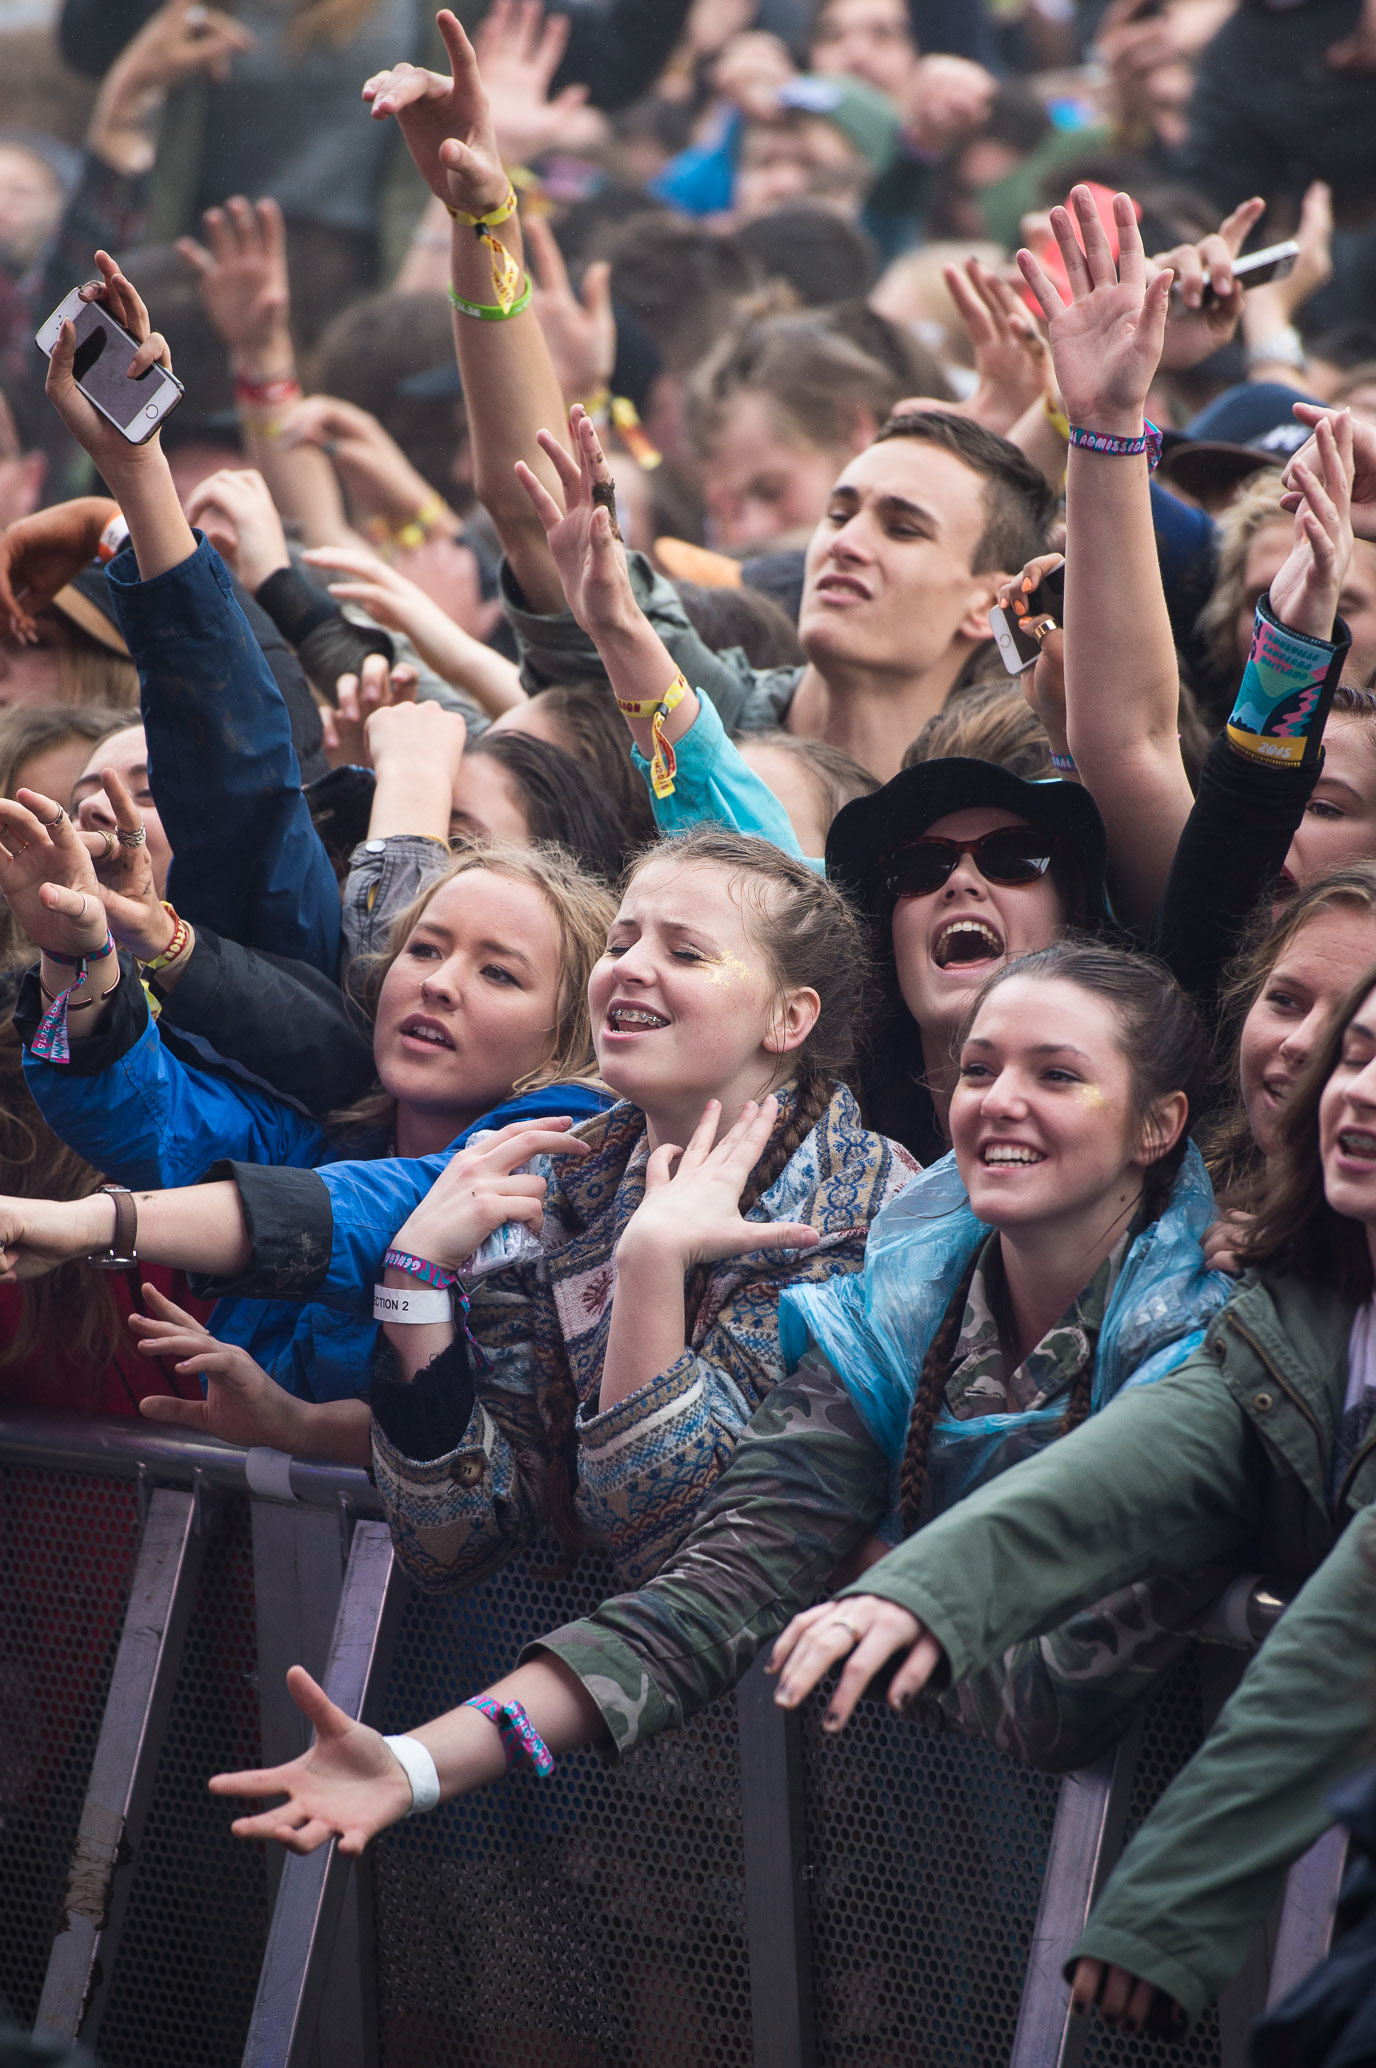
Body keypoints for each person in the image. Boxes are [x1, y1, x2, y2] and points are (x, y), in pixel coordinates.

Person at [186, 943, 1228, 1848]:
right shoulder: (900, 1309)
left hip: (1149, 1875)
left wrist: (862, 1567)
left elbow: (1051, 1697)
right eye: (980, 1068)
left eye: (1057, 1074)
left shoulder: (1197, 1350)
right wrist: (417, 1762)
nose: (998, 1100)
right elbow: (706, 1593)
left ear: (1157, 1124)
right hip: (917, 1858)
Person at [1, 827, 913, 1586]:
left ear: (789, 1019)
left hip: (780, 1726)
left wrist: (647, 1264)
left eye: (683, 952)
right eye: (622, 944)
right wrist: (78, 959)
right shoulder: (576, 1180)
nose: (439, 983)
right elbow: (457, 1534)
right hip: (477, 1685)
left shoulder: (858, 1202)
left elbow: (668, 1542)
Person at [362, 11, 1054, 781]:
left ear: (987, 602)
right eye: (839, 512)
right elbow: (537, 513)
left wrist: (1081, 420)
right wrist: (484, 219)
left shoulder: (1022, 784)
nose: (848, 543)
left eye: (904, 528)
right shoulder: (714, 717)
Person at [3, 801, 613, 1416]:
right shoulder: (329, 1140)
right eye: (426, 949)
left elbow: (400, 1206)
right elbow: (150, 1118)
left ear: (568, 1036)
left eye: (498, 973)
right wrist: (78, 957)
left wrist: (96, 1223)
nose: (438, 983)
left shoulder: (571, 1147)